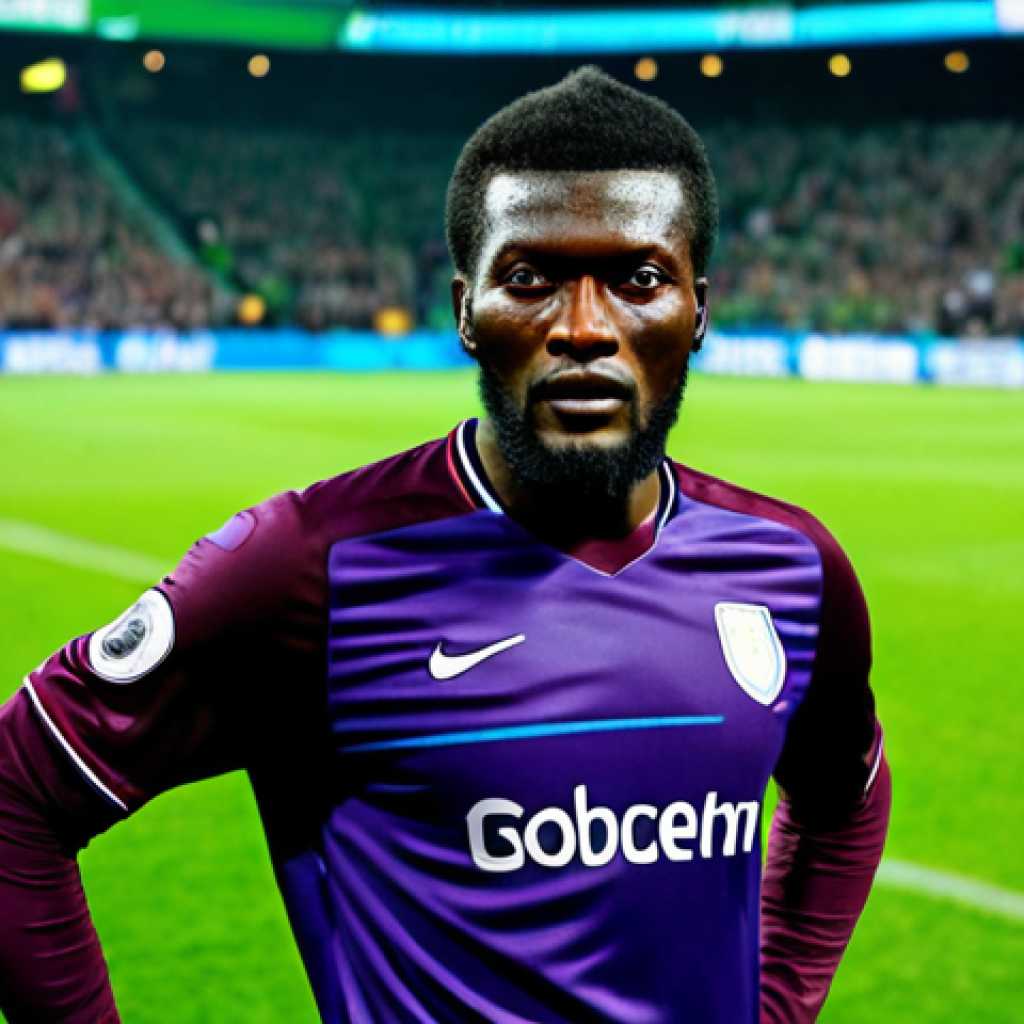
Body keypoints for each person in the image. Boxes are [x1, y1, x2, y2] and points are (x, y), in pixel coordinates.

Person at [0, 67, 889, 1024]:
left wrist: (781, 1003)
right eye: (529, 280)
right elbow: (18, 796)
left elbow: (847, 796)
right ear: (466, 311)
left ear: (697, 310)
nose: (583, 328)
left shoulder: (792, 569)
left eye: (637, 280)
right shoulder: (311, 567)